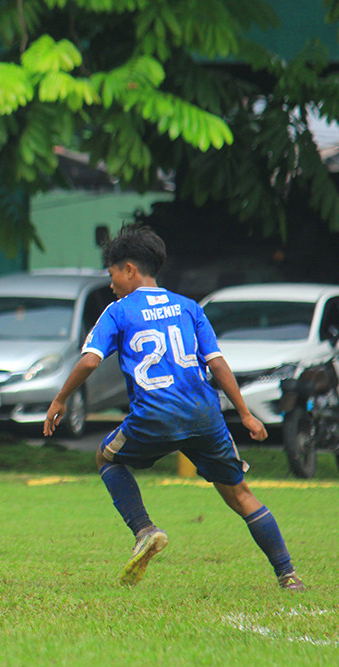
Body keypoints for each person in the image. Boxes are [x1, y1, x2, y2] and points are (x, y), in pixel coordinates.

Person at [43, 225, 304, 591]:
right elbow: (217, 363)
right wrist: (245, 413)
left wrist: (60, 399)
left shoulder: (118, 311)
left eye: (112, 273)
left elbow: (89, 361)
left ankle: (144, 530)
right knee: (240, 494)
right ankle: (288, 575)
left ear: (129, 269)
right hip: (203, 414)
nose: (111, 283)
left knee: (106, 457)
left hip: (155, 414)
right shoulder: (189, 307)